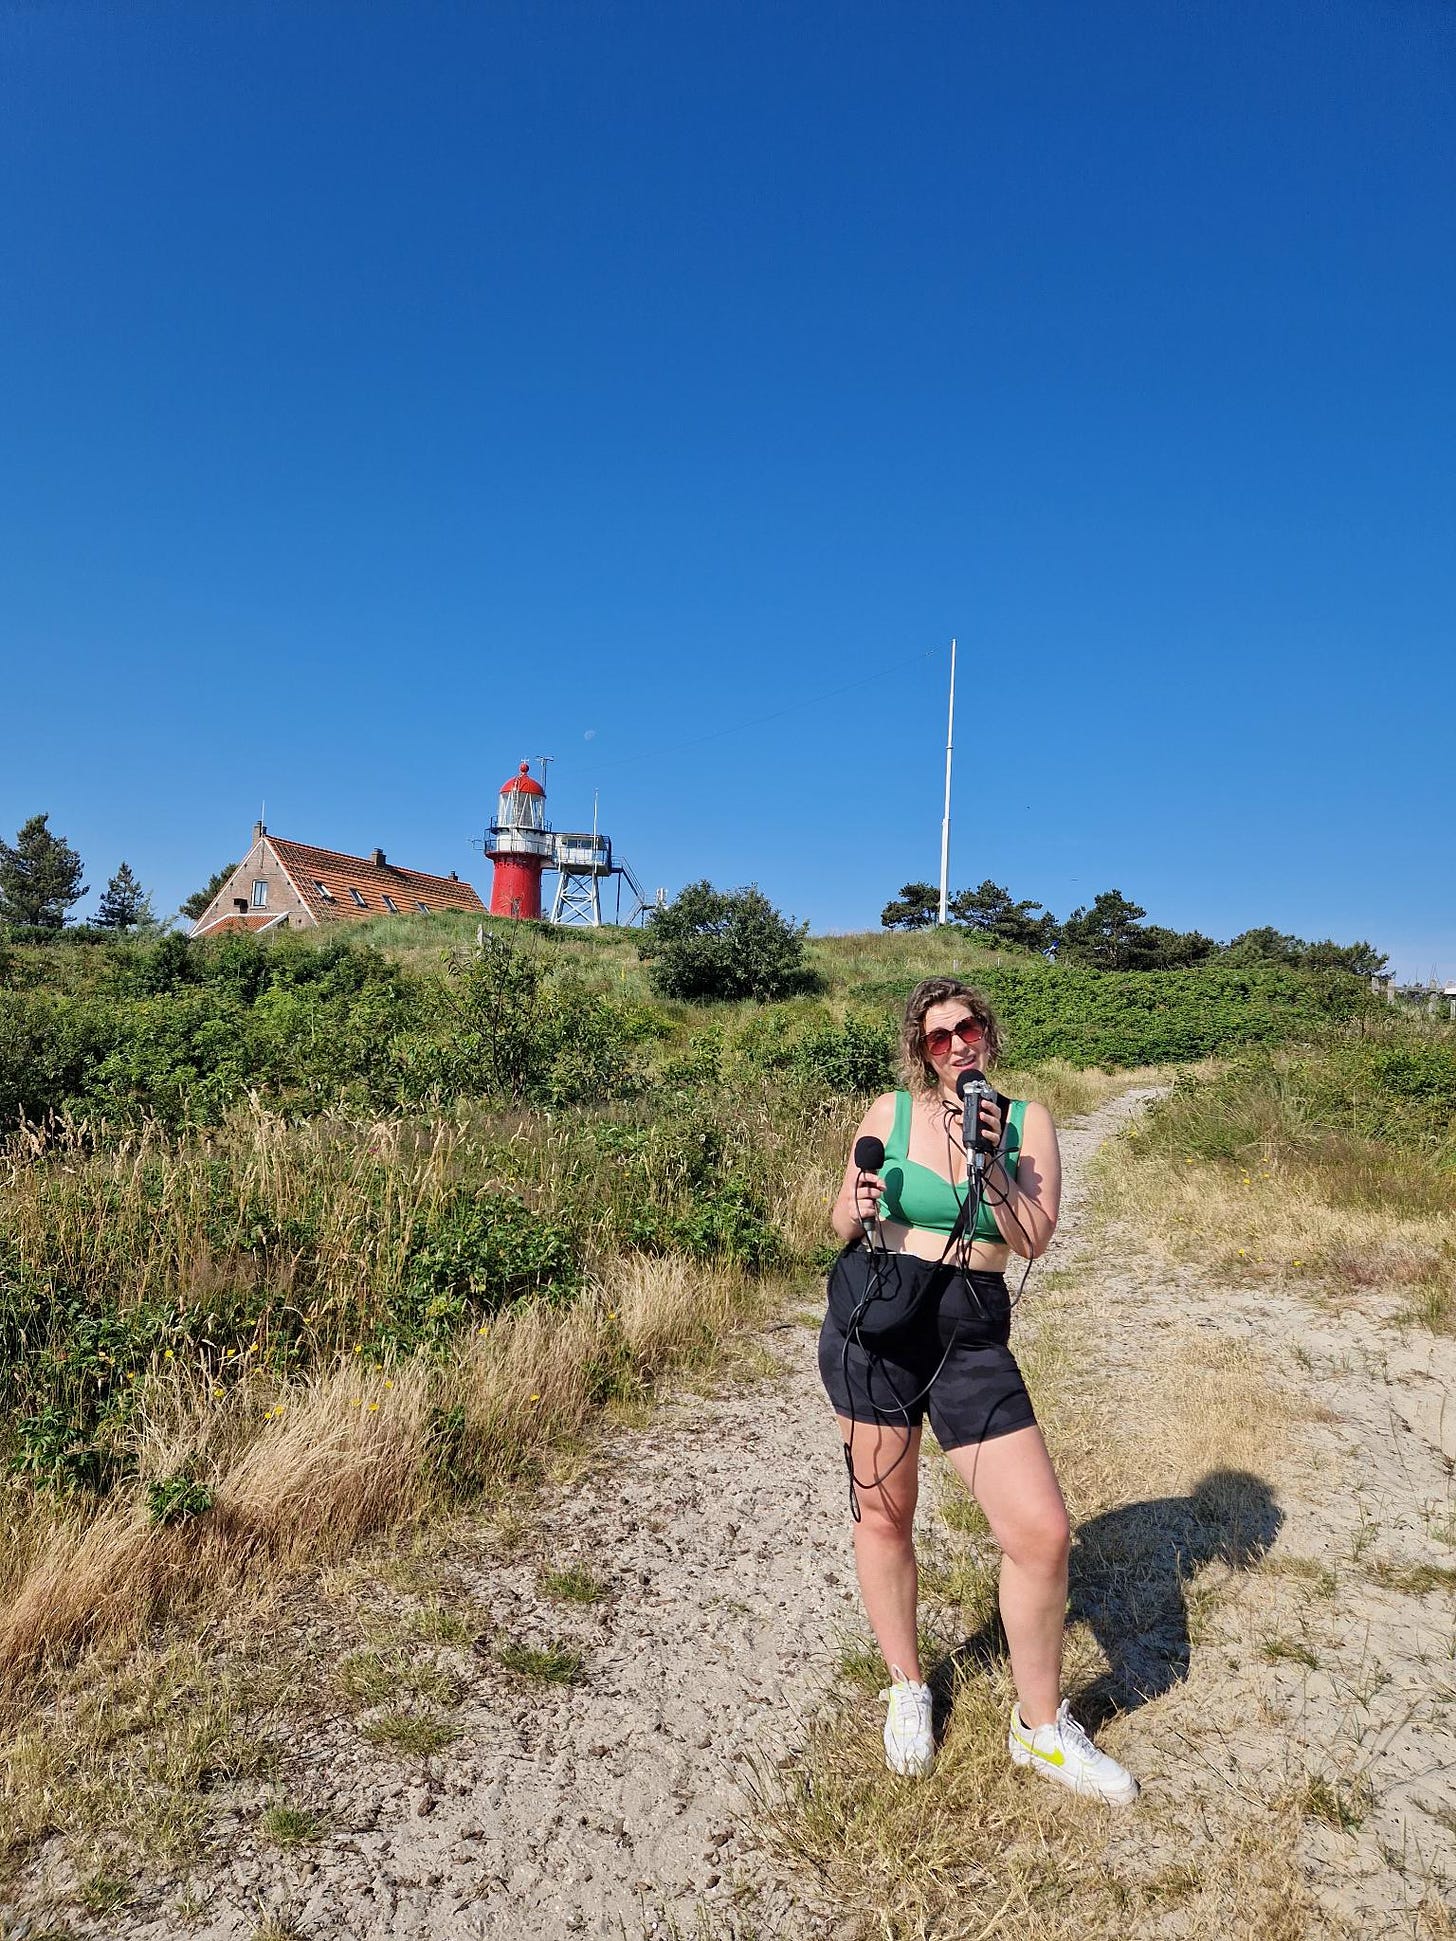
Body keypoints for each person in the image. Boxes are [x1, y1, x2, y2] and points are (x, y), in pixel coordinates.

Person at [818, 977, 1137, 1803]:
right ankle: (909, 1686)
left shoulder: (1027, 1123)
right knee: (884, 1512)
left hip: (969, 1332)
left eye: (966, 1029)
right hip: (878, 1319)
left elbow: (1032, 1238)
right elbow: (835, 1222)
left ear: (988, 1035)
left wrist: (988, 1160)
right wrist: (856, 1205)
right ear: (918, 1050)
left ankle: (1038, 1728)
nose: (954, 1045)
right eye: (936, 1036)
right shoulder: (887, 1113)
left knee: (1041, 1531)